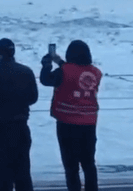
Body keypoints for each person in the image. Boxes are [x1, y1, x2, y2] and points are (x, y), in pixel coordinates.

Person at [40, 40, 102, 191]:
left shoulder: (63, 71)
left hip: (67, 123)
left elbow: (46, 80)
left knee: (71, 166)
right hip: (89, 123)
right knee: (88, 163)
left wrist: (47, 64)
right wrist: (60, 62)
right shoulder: (95, 72)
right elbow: (76, 73)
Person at [0, 38, 38, 191]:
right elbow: (33, 97)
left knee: (2, 175)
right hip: (20, 126)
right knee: (23, 173)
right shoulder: (26, 72)